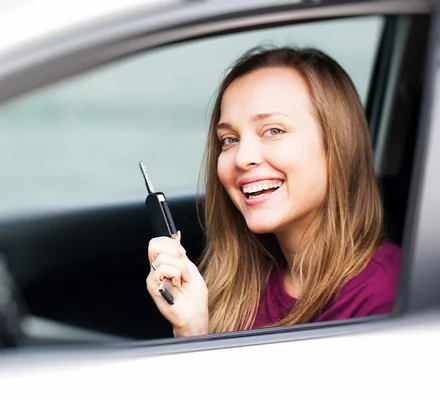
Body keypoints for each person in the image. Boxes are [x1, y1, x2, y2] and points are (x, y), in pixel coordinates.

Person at [145, 47, 401, 337]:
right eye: (229, 139)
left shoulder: (385, 297)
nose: (242, 158)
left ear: (338, 145)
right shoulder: (244, 284)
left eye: (273, 131)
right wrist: (192, 328)